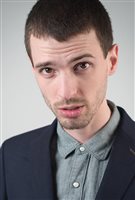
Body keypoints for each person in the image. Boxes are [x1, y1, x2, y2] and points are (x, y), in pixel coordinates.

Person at [0, 0, 135, 199]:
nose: (66, 93)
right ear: (33, 69)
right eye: (47, 70)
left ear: (112, 61)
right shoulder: (10, 155)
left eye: (82, 65)